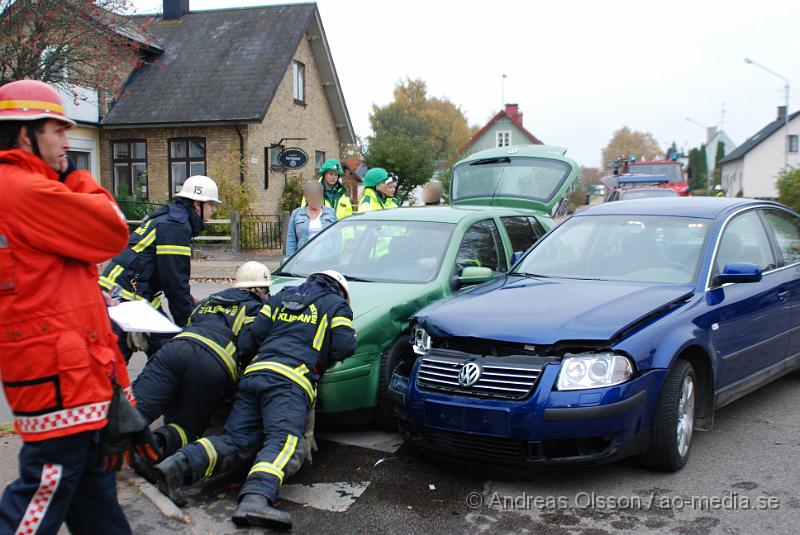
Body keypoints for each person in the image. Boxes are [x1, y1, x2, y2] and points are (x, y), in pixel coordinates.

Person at [0, 80, 152, 534]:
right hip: (59, 376)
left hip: (68, 370)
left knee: (93, 493)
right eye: (57, 131)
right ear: (26, 134)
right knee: (46, 487)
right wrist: (77, 178)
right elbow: (110, 230)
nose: (67, 142)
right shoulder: (26, 189)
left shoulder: (21, 188)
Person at [154, 270, 357, 530]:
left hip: (254, 375)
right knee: (285, 442)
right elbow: (345, 346)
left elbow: (249, 339)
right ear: (341, 291)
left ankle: (176, 466)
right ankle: (257, 498)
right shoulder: (336, 305)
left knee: (236, 440)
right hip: (291, 381)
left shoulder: (282, 297)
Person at [131, 262, 272, 473]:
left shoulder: (212, 299)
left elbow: (189, 320)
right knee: (186, 427)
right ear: (262, 289)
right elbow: (248, 346)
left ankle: (103, 447)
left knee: (137, 408)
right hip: (212, 363)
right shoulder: (257, 308)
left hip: (174, 350)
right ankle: (154, 448)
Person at [99, 174, 221, 362]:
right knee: (113, 368)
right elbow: (174, 282)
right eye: (211, 205)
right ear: (198, 204)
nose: (213, 210)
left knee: (166, 354)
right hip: (122, 298)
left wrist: (188, 303)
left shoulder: (169, 219)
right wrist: (187, 324)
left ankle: (151, 389)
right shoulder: (175, 227)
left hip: (136, 294)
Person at [286, 181, 337, 255]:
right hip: (303, 259)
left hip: (327, 258)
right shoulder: (297, 213)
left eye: (318, 195)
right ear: (306, 197)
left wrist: (337, 257)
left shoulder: (331, 212)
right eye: (312, 196)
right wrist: (289, 260)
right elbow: (291, 240)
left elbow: (337, 237)